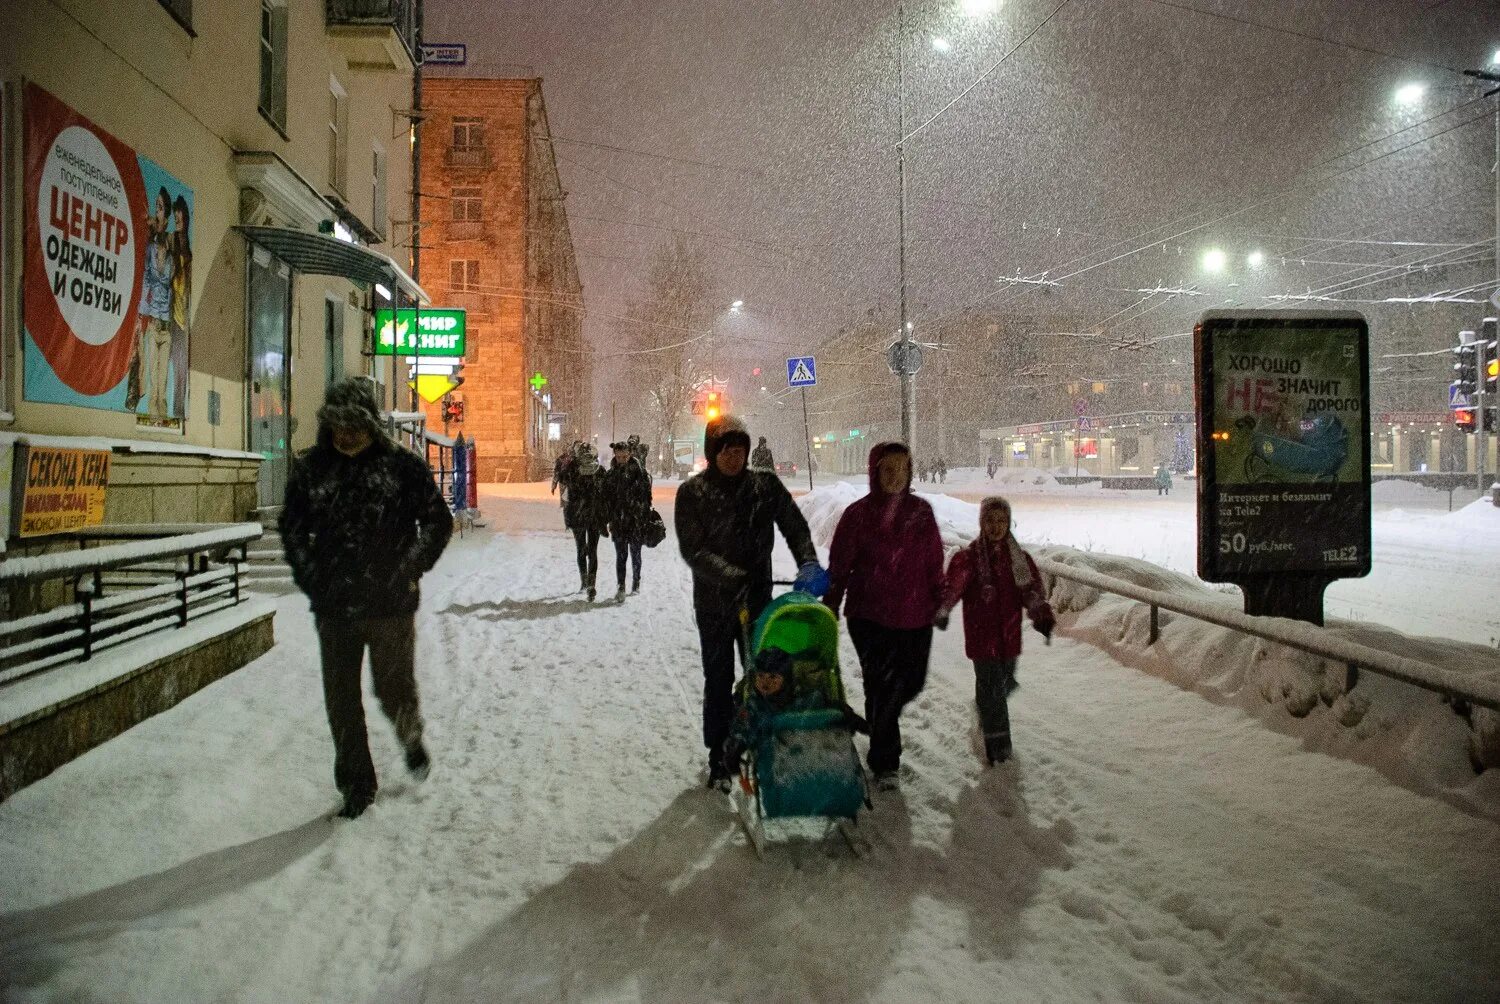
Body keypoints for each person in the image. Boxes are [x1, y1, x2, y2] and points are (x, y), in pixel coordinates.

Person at [279, 377, 453, 820]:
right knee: (341, 699)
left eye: (355, 424)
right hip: (335, 606)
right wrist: (313, 577)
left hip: (390, 605)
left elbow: (437, 521)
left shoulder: (401, 469)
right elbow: (293, 528)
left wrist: (408, 568)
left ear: (371, 425)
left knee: (392, 688)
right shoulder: (314, 469)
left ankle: (410, 736)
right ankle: (357, 785)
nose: (346, 434)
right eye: (338, 424)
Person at [675, 414, 823, 790]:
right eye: (727, 451)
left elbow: (794, 525)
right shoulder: (693, 493)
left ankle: (765, 743)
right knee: (719, 678)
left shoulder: (764, 487)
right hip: (713, 604)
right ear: (713, 452)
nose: (735, 458)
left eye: (740, 451)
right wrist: (730, 576)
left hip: (758, 602)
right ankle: (720, 755)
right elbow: (694, 550)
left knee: (765, 675)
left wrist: (807, 560)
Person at [824, 442, 945, 790]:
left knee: (910, 683)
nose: (895, 476)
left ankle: (877, 722)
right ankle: (885, 760)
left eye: (901, 469)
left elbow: (934, 561)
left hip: (915, 616)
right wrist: (831, 602)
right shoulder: (857, 515)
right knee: (882, 684)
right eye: (887, 469)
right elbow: (840, 566)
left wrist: (940, 598)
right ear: (874, 472)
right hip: (869, 616)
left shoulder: (921, 512)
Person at [934, 497, 1054, 766]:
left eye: (1002, 521)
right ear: (981, 522)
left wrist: (1042, 617)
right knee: (994, 694)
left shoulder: (1019, 560)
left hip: (1009, 637)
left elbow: (1031, 593)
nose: (996, 526)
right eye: (990, 520)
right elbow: (954, 586)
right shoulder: (969, 559)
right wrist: (943, 608)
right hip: (982, 636)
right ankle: (999, 751)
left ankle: (983, 708)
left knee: (1004, 683)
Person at [606, 439, 652, 600]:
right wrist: (610, 519)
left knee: (635, 553)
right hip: (618, 521)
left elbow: (647, 498)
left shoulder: (640, 473)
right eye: (619, 457)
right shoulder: (611, 475)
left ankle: (636, 583)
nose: (622, 460)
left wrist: (642, 514)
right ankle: (621, 587)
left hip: (635, 520)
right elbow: (608, 500)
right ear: (615, 456)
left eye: (625, 457)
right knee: (621, 555)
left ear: (630, 454)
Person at [565, 441, 610, 600]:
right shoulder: (600, 472)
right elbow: (606, 497)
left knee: (581, 550)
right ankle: (591, 583)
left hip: (578, 516)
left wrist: (569, 517)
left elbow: (568, 495)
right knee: (592, 551)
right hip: (595, 516)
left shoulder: (573, 470)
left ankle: (584, 581)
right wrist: (605, 517)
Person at [167, 195, 191, 421]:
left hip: (183, 324)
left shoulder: (188, 255)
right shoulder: (172, 245)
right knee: (165, 365)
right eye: (175, 220)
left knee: (180, 372)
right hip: (172, 318)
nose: (178, 224)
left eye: (180, 220)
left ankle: (178, 414)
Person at [551, 441, 580, 509]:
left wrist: (553, 486)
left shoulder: (561, 459)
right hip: (572, 482)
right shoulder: (577, 459)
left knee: (564, 499)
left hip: (564, 481)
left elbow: (556, 473)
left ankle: (565, 508)